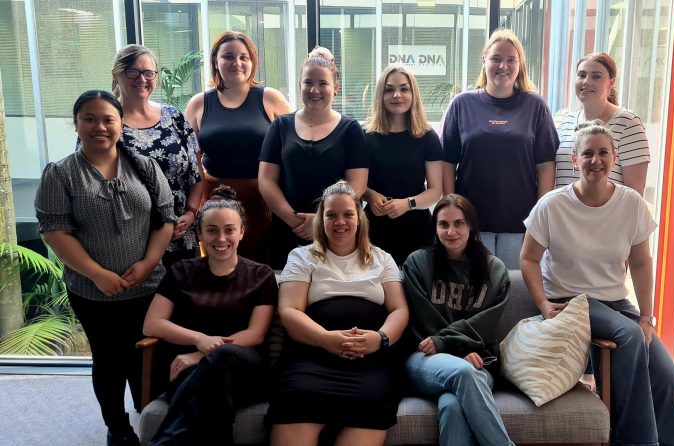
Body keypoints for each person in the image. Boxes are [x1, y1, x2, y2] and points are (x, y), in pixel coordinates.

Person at [520, 120, 674, 446]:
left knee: (667, 375)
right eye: (588, 153)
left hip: (615, 302)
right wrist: (542, 303)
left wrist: (646, 317)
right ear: (574, 160)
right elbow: (528, 259)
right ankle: (637, 441)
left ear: (615, 156)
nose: (596, 160)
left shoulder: (631, 204)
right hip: (570, 300)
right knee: (630, 337)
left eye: (603, 153)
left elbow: (640, 263)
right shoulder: (552, 205)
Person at [35, 91, 175, 446]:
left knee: (145, 359)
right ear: (76, 123)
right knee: (109, 361)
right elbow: (54, 231)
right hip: (92, 290)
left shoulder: (144, 166)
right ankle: (118, 427)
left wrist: (146, 264)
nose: (100, 127)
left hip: (149, 286)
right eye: (90, 119)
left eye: (108, 119)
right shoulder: (60, 173)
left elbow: (165, 220)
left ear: (121, 123)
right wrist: (98, 274)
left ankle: (152, 421)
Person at [266, 181, 408, 446]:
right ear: (321, 219)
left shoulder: (382, 258)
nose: (339, 221)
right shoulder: (301, 257)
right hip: (311, 357)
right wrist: (325, 339)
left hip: (369, 362)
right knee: (295, 398)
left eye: (347, 214)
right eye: (331, 214)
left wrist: (380, 338)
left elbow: (399, 309)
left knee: (373, 400)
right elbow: (289, 311)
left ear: (359, 219)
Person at [143, 186, 277, 446]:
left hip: (246, 370)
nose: (221, 238)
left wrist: (202, 353)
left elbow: (255, 334)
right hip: (191, 373)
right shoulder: (182, 271)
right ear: (200, 233)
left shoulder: (261, 275)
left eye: (229, 230)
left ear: (241, 232)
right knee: (216, 395)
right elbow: (152, 324)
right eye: (212, 230)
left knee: (223, 357)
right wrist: (199, 338)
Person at [440, 28, 558, 269]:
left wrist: (539, 217)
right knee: (473, 294)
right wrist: (452, 213)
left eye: (511, 60)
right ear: (484, 61)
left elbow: (546, 165)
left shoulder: (535, 105)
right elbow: (447, 163)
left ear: (520, 65)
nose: (503, 65)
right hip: (471, 223)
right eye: (496, 58)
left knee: (514, 295)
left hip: (520, 223)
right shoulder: (462, 104)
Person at [403, 194, 514, 446]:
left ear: (471, 226)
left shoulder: (495, 270)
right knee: (463, 372)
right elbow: (422, 320)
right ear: (435, 228)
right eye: (443, 224)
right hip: (424, 359)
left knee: (452, 405)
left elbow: (486, 323)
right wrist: (452, 348)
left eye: (459, 223)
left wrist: (456, 347)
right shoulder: (417, 264)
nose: (451, 231)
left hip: (478, 361)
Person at [184, 31, 291, 262]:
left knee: (264, 265)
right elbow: (190, 163)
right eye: (228, 56)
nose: (237, 63)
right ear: (216, 61)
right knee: (221, 263)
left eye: (244, 57)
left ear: (253, 62)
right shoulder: (198, 103)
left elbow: (295, 146)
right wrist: (194, 208)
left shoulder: (270, 98)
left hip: (264, 198)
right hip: (215, 199)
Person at [259, 47, 369, 269]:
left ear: (335, 88)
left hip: (336, 231)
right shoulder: (281, 125)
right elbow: (266, 180)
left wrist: (321, 221)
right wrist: (294, 220)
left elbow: (357, 185)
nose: (314, 90)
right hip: (287, 229)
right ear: (300, 85)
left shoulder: (351, 129)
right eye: (308, 82)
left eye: (323, 83)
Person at [111, 44, 202, 266]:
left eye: (149, 73)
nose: (142, 79)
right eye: (133, 72)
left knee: (185, 299)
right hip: (133, 242)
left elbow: (196, 174)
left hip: (181, 238)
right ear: (117, 74)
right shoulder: (107, 122)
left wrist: (190, 213)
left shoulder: (173, 116)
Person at [363, 63, 442, 265]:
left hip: (416, 228)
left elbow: (435, 191)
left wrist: (407, 204)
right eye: (389, 89)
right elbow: (355, 183)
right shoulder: (365, 135)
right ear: (381, 95)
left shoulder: (427, 136)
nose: (397, 95)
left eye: (404, 89)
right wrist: (371, 196)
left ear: (413, 93)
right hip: (374, 227)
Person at [555, 52, 650, 194]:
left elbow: (634, 194)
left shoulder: (628, 123)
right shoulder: (562, 121)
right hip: (564, 214)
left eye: (596, 76)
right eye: (581, 75)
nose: (586, 81)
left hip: (608, 215)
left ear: (611, 83)